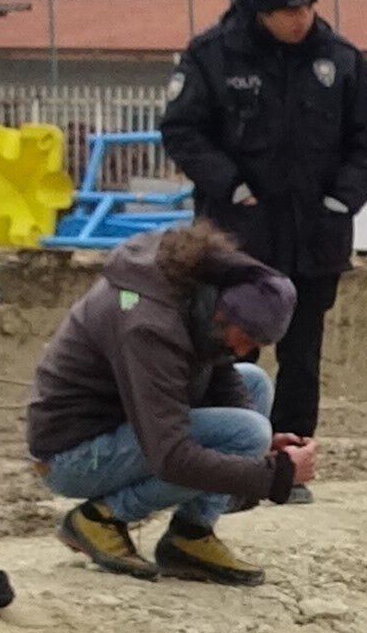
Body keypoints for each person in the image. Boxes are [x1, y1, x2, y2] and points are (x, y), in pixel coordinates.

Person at [158, 0, 367, 446]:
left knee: (302, 357)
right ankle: (226, 453)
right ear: (260, 9)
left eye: (308, 7)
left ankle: (289, 461)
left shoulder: (341, 61)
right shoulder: (213, 56)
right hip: (238, 239)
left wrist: (341, 201)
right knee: (230, 351)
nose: (301, 19)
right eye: (288, 11)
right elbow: (182, 130)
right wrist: (231, 186)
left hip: (316, 239)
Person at [21, 220, 317, 585]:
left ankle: (190, 536)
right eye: (247, 337)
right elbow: (171, 456)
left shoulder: (198, 296)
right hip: (71, 456)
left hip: (121, 428)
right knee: (247, 432)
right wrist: (275, 476)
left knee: (254, 386)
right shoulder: (149, 325)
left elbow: (219, 372)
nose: (245, 350)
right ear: (223, 312)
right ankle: (100, 518)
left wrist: (262, 451)